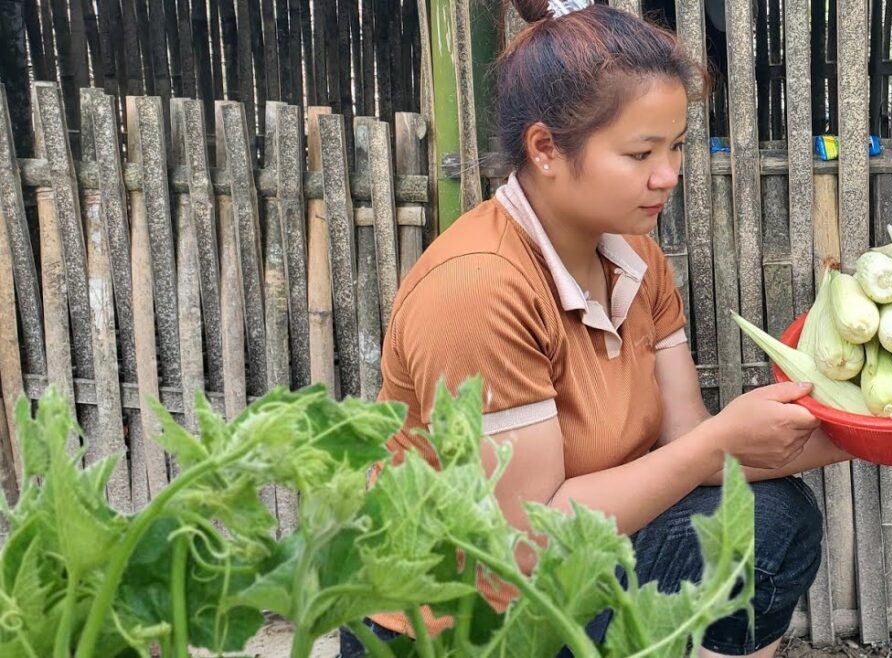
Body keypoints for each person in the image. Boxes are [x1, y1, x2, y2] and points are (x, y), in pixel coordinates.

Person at [339, 1, 854, 655]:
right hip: (461, 618)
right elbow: (523, 546)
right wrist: (714, 445)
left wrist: (873, 430)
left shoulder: (636, 256)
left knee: (770, 520)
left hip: (572, 568)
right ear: (547, 149)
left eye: (674, 147)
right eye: (641, 152)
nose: (668, 175)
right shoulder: (478, 288)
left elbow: (687, 439)